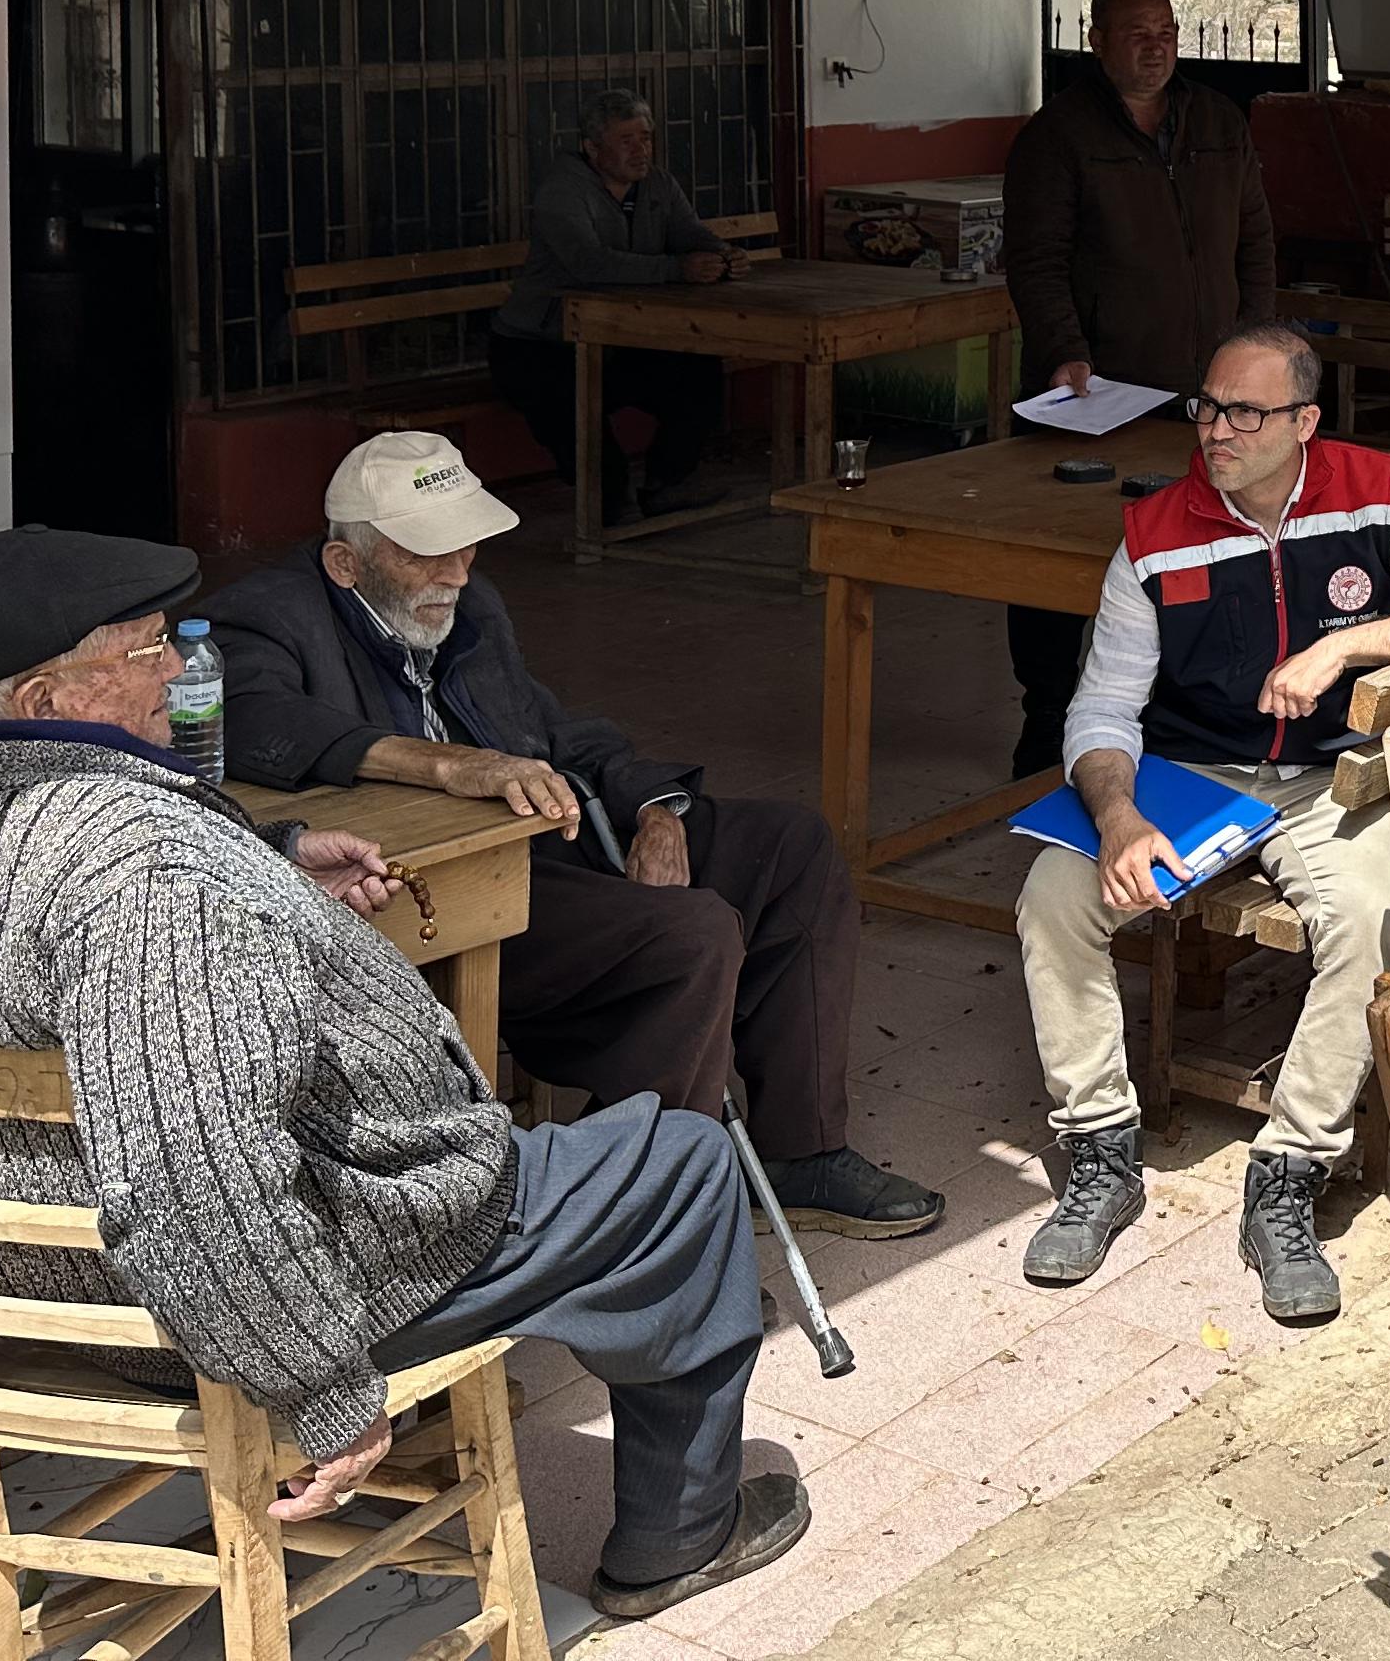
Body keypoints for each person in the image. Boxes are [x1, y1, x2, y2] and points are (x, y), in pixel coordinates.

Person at [0, 527, 807, 1623]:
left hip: (41, 1277)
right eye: (147, 650)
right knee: (678, 1164)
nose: (180, 670)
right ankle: (679, 1538)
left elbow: (60, 925)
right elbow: (192, 1177)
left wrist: (272, 860)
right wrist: (322, 1386)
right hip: (238, 1300)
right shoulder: (155, 878)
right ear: (42, 699)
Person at [206, 434, 939, 1241]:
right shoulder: (274, 616)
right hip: (429, 894)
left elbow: (554, 733)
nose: (457, 571)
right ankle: (643, 1228)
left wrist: (658, 809)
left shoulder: (469, 606)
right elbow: (254, 719)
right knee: (693, 934)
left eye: (465, 546)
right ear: (347, 564)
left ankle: (800, 1152)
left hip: (544, 854)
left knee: (792, 847)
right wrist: (450, 764)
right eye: (427, 553)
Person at [1017, 322, 1390, 1320]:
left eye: (1245, 412)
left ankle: (1290, 1170)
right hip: (1189, 772)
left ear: (1305, 421)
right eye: (1208, 407)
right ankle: (1100, 1149)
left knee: (1375, 919)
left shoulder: (1380, 488)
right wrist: (1116, 815)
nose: (1216, 430)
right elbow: (1102, 709)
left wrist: (1345, 649)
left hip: (1332, 774)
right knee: (1053, 897)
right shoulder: (1154, 532)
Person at [998, 0, 1282, 776]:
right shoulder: (1057, 135)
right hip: (1094, 391)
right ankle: (1046, 719)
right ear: (1097, 43)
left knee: (1192, 551)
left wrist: (1257, 348)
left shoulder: (1218, 122)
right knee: (1053, 557)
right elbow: (1036, 259)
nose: (1155, 48)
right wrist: (1065, 348)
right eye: (1135, 33)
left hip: (1204, 393)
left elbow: (1255, 241)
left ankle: (1173, 721)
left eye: (1165, 32)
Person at [484, 88, 735, 526]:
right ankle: (606, 503)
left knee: (697, 372)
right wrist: (676, 269)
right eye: (626, 140)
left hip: (618, 338)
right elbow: (589, 263)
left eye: (646, 138)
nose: (640, 151)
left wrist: (722, 255)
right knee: (570, 403)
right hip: (538, 345)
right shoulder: (563, 191)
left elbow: (689, 233)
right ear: (593, 148)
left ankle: (668, 483)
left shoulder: (658, 184)